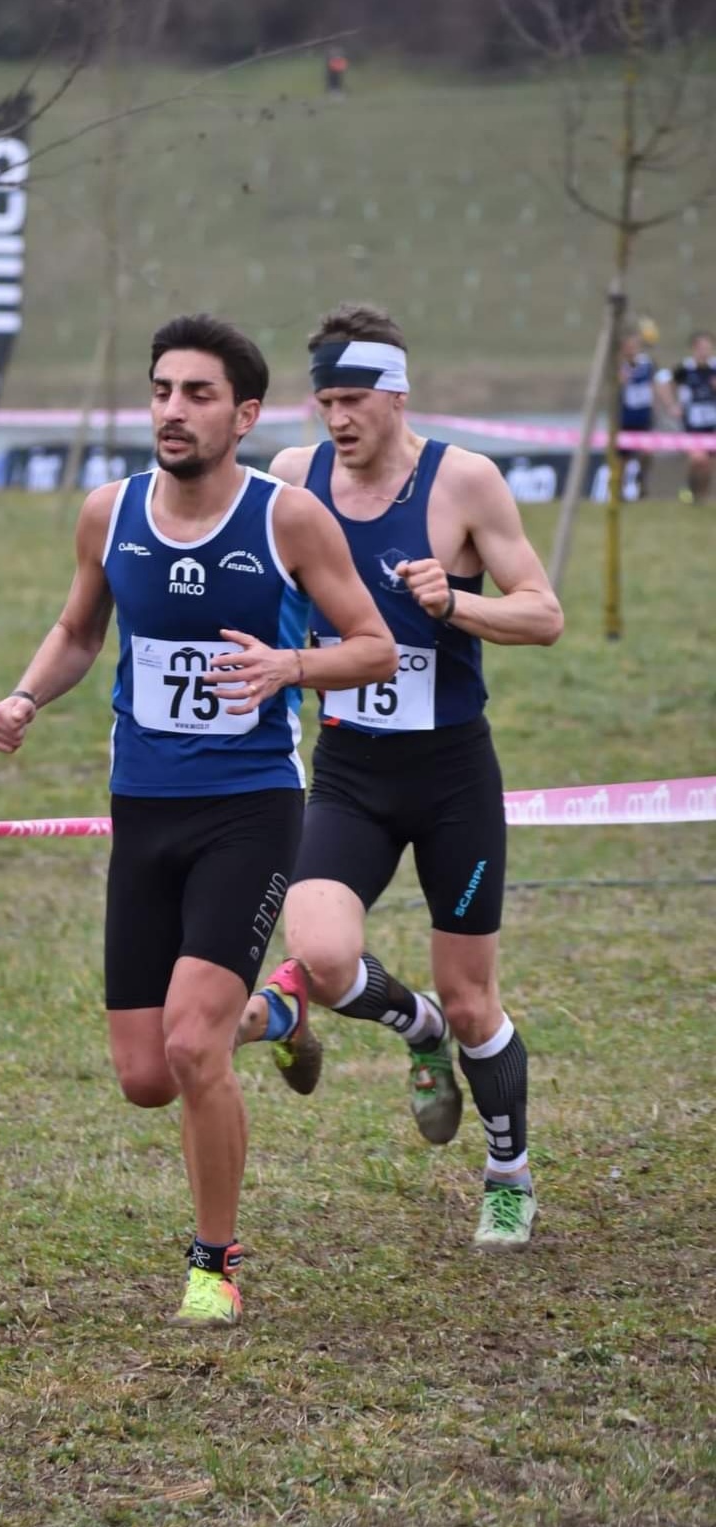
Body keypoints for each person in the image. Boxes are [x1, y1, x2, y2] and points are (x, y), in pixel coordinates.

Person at [0, 313, 397, 1327]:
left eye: (198, 393)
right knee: (143, 1075)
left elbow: (376, 646)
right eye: (164, 389)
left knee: (188, 1045)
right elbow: (81, 627)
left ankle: (214, 1258)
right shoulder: (109, 511)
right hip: (144, 815)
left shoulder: (288, 519)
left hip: (249, 811)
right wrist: (30, 694)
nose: (173, 409)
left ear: (246, 414)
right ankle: (283, 1013)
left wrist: (289, 666)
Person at [235, 302, 564, 1250]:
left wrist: (456, 602)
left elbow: (542, 614)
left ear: (396, 393)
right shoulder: (294, 477)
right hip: (347, 771)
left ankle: (508, 1172)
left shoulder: (464, 482)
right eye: (325, 400)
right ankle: (415, 1028)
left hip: (452, 775)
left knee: (476, 999)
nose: (337, 419)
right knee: (326, 958)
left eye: (354, 400)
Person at [656, 330, 716, 505]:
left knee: (708, 465)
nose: (704, 351)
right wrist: (671, 406)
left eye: (707, 347)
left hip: (711, 424)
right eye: (700, 347)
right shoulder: (685, 368)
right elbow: (663, 384)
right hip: (691, 424)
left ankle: (701, 497)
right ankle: (689, 490)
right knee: (698, 459)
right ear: (693, 349)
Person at [617, 323, 657, 498]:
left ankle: (642, 483)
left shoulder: (647, 364)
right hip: (624, 417)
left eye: (634, 345)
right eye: (628, 345)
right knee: (622, 458)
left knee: (646, 453)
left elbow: (655, 385)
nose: (631, 349)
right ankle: (620, 491)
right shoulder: (618, 365)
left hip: (644, 417)